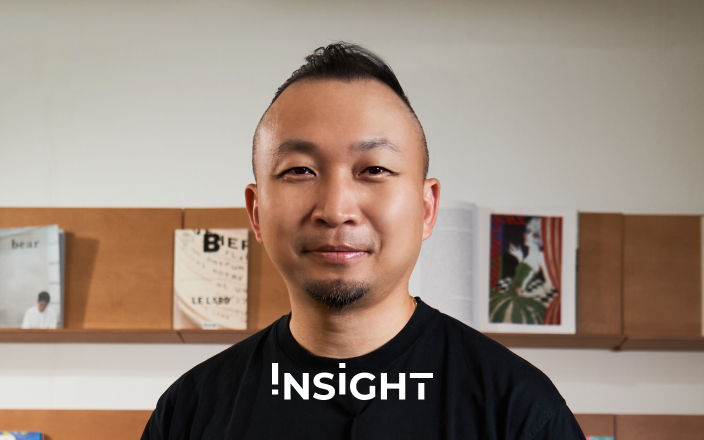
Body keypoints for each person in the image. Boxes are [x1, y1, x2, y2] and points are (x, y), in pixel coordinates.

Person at [142, 43, 586, 439]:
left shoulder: (521, 412)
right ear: (256, 212)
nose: (336, 209)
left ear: (427, 208)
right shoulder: (190, 413)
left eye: (374, 169)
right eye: (300, 170)